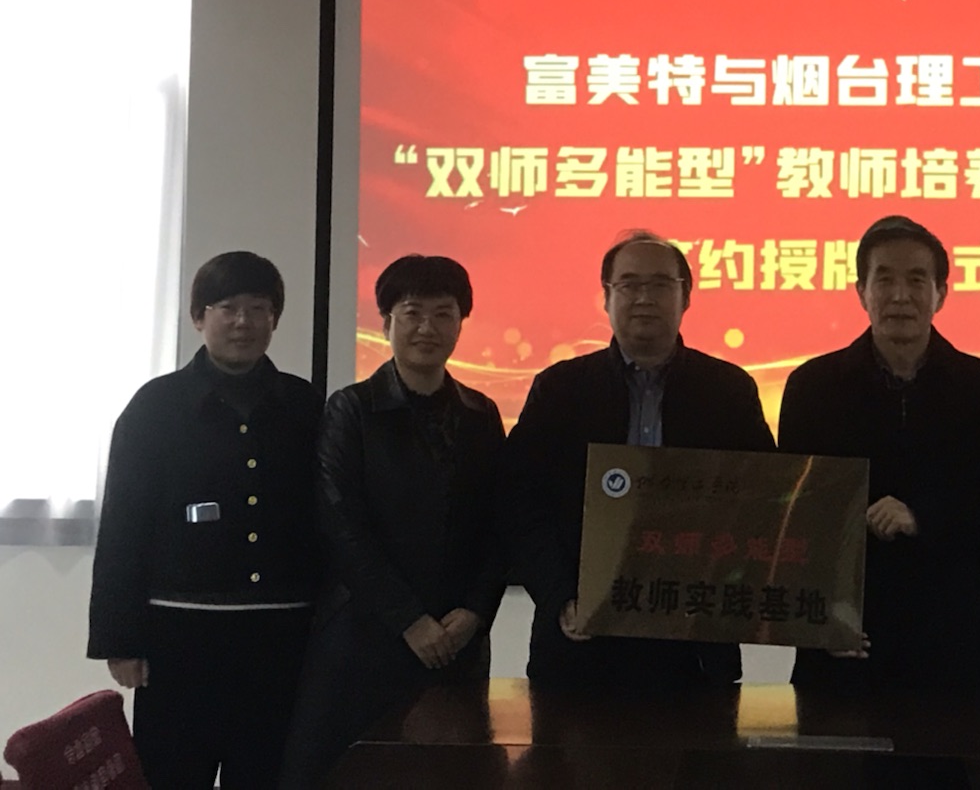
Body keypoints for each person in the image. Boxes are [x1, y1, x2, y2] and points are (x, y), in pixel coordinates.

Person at [87, 251, 323, 789]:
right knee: (173, 772)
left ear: (274, 319)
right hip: (179, 638)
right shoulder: (154, 408)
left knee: (267, 774)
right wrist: (119, 639)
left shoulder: (305, 406)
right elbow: (123, 526)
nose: (243, 322)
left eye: (258, 308)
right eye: (228, 308)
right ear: (199, 317)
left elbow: (327, 519)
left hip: (281, 638)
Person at [777, 215, 980, 691]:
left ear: (941, 293)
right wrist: (817, 621)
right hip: (846, 639)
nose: (900, 295)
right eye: (884, 279)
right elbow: (793, 514)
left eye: (917, 280)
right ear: (861, 292)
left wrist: (924, 516)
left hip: (955, 638)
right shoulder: (812, 388)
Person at [506, 230, 775, 688]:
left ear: (686, 296)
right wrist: (559, 596)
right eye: (629, 284)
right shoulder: (560, 389)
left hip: (695, 648)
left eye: (660, 284)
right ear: (606, 297)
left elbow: (764, 501)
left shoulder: (728, 391)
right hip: (579, 642)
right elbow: (519, 504)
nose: (644, 298)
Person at [279, 255, 508, 787]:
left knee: (449, 776)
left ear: (461, 323)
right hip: (364, 637)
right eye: (412, 313)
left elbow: (500, 524)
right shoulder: (351, 411)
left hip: (456, 641)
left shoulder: (481, 415)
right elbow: (341, 525)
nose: (427, 328)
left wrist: (475, 611)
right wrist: (409, 619)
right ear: (385, 322)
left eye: (443, 314)